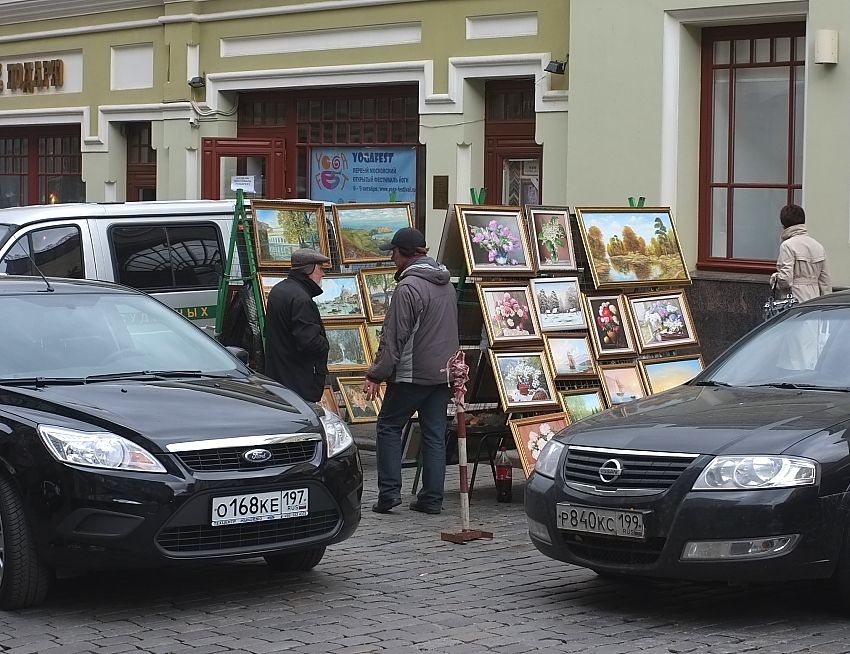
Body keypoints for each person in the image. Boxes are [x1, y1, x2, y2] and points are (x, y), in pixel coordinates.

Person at [364, 227, 459, 515]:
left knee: (389, 426)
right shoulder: (446, 283)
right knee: (434, 434)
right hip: (442, 373)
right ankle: (432, 498)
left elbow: (394, 337)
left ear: (404, 253)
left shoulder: (409, 287)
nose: (391, 258)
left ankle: (389, 493)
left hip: (412, 373)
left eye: (393, 252)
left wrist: (377, 374)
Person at [264, 248, 331, 403]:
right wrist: (324, 344)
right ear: (309, 269)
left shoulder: (279, 290)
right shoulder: (301, 298)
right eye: (320, 269)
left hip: (280, 378)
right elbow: (309, 342)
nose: (323, 274)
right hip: (299, 381)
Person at [770, 204, 832, 302]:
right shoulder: (818, 246)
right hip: (814, 301)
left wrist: (775, 279)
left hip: (794, 299)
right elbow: (825, 282)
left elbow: (786, 280)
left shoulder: (787, 245)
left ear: (784, 225)